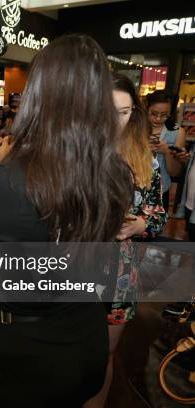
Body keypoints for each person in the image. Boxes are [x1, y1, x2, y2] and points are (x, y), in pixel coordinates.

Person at [0, 34, 134, 408]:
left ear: (40, 93)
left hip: (26, 357)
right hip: (87, 335)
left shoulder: (11, 181)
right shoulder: (116, 172)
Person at [85, 73, 168, 408]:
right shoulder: (78, 153)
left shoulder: (144, 160)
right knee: (70, 352)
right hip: (74, 268)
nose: (115, 119)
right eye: (108, 109)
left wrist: (140, 225)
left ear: (134, 113)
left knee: (104, 355)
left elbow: (159, 213)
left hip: (119, 273)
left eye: (124, 111)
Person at [146, 90, 184, 212]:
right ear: (146, 108)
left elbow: (174, 172)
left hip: (160, 192)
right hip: (132, 189)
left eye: (164, 115)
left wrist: (167, 151)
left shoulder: (177, 132)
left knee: (153, 228)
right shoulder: (135, 127)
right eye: (154, 113)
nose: (158, 118)